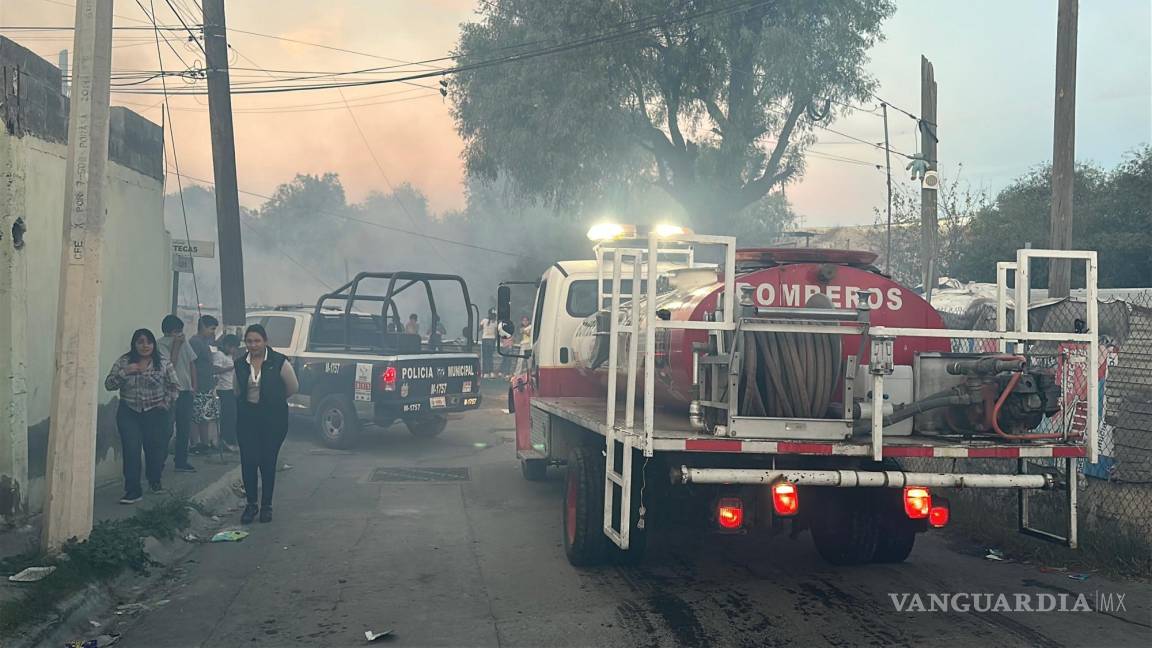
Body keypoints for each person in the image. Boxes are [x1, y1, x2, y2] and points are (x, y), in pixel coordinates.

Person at [104, 329, 180, 503]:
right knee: (131, 450)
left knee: (155, 449)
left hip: (155, 412)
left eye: (148, 342)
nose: (144, 346)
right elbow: (109, 384)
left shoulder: (163, 363)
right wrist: (125, 372)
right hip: (129, 411)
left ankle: (154, 480)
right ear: (134, 345)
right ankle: (133, 490)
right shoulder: (124, 361)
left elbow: (175, 386)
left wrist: (166, 402)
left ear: (154, 344)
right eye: (140, 342)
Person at [234, 324, 299, 524]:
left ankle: (266, 506)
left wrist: (274, 400)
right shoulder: (240, 363)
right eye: (249, 341)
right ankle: (251, 504)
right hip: (247, 418)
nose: (253, 345)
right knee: (249, 461)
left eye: (257, 341)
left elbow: (292, 387)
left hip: (273, 419)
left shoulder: (279, 362)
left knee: (267, 461)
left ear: (265, 341)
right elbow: (237, 390)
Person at [158, 314, 197, 473]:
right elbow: (169, 367)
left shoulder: (185, 343)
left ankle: (181, 461)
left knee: (184, 428)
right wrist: (176, 346)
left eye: (180, 331)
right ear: (168, 332)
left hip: (186, 391)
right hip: (169, 391)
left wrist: (194, 386)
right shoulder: (160, 345)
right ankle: (159, 462)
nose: (179, 334)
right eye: (176, 331)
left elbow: (191, 363)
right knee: (166, 429)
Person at [189, 315, 222, 454]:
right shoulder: (195, 342)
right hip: (198, 385)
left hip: (207, 385)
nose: (213, 332)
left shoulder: (204, 342)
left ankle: (204, 444)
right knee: (196, 416)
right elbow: (191, 364)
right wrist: (194, 385)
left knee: (205, 416)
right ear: (203, 327)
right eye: (211, 329)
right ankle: (194, 445)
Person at [215, 334, 241, 453]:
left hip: (231, 388)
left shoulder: (230, 356)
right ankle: (226, 440)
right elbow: (216, 369)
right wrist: (231, 368)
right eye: (232, 347)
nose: (234, 350)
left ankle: (230, 439)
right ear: (226, 345)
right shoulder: (219, 355)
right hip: (224, 389)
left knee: (233, 416)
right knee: (228, 416)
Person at [479, 309, 498, 378]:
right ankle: (487, 372)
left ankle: (488, 372)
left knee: (488, 356)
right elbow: (480, 328)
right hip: (488, 339)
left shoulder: (494, 322)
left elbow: (496, 333)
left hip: (489, 339)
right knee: (487, 356)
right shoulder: (486, 321)